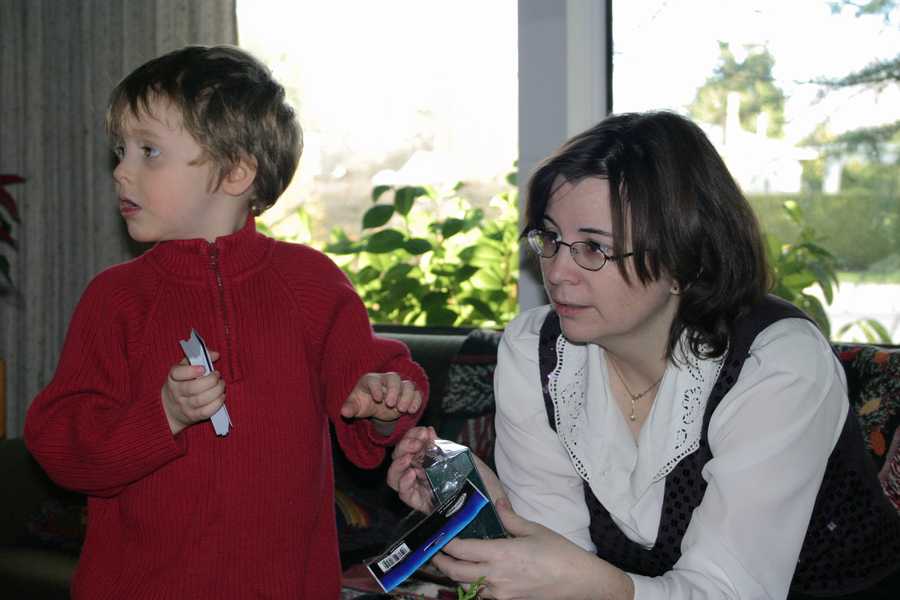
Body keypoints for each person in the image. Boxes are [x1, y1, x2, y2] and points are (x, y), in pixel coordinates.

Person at [388, 111, 900, 599]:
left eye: (594, 248)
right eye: (550, 238)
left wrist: (598, 585)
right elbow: (553, 556)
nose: (558, 272)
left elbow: (729, 590)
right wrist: (491, 506)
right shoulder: (535, 352)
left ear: (683, 259)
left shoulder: (775, 364)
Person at [24, 45, 428, 599]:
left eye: (148, 151)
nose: (120, 171)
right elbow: (60, 446)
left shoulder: (311, 283)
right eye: (121, 151)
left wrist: (384, 404)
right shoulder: (114, 299)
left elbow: (369, 405)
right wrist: (162, 416)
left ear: (236, 171)